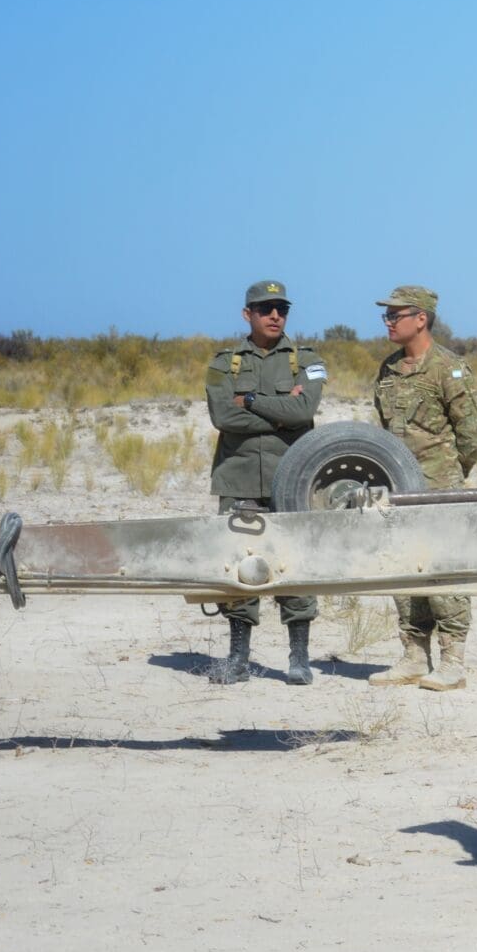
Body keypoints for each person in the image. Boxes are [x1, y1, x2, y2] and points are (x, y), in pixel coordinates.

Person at [202, 279, 326, 686]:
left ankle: (299, 658)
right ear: (247, 314)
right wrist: (282, 414)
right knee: (240, 568)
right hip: (238, 479)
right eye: (265, 309)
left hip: (292, 479)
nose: (275, 316)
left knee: (295, 566)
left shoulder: (306, 360)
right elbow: (223, 417)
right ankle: (238, 659)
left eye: (282, 309)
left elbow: (305, 409)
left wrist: (252, 402)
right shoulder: (224, 363)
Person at [366, 285, 477, 692]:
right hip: (398, 486)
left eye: (395, 315)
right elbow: (384, 427)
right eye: (386, 315)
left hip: (440, 489)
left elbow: (473, 434)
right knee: (404, 570)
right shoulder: (388, 369)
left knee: (443, 571)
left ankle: (453, 662)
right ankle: (415, 657)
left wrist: (449, 474)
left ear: (421, 319)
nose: (388, 322)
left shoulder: (448, 368)